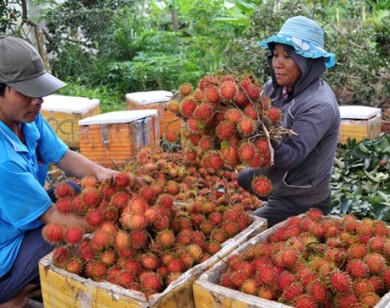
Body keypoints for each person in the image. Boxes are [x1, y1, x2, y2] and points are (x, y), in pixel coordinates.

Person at [0, 36, 142, 307]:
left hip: (12, 224)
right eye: (26, 93)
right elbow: (53, 217)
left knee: (75, 191)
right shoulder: (3, 160)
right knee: (64, 236)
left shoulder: (27, 118)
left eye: (39, 91)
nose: (38, 100)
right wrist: (108, 228)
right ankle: (11, 297)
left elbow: (63, 155)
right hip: (3, 254)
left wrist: (103, 173)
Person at [237, 16, 340, 227]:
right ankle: (271, 199)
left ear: (307, 62)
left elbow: (290, 157)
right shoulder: (275, 86)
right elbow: (254, 113)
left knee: (246, 227)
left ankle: (283, 209)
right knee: (242, 178)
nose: (277, 63)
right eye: (275, 55)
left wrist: (262, 129)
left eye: (287, 56)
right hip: (279, 179)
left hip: (301, 197)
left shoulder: (320, 105)